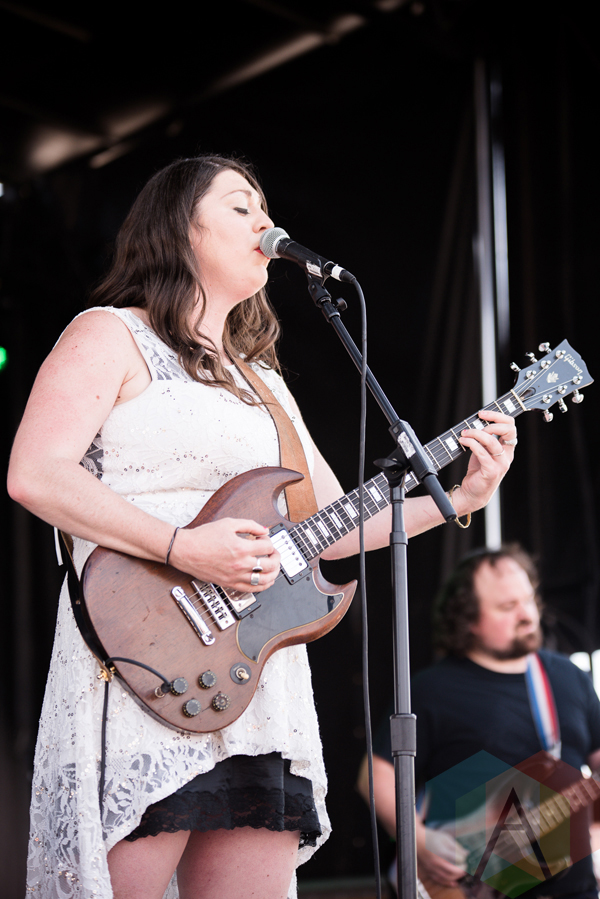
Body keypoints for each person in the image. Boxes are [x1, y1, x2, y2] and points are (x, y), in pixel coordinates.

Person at [7, 154, 517, 899]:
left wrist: (461, 496)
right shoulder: (110, 334)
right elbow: (35, 473)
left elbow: (333, 524)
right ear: (181, 227)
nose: (265, 223)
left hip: (252, 675)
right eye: (241, 206)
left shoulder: (262, 380)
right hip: (143, 647)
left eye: (265, 207)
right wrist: (184, 547)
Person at [357, 545, 600, 899]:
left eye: (528, 600)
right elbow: (375, 775)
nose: (527, 615)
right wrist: (419, 841)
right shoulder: (432, 689)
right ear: (468, 620)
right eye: (507, 606)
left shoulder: (569, 675)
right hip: (466, 885)